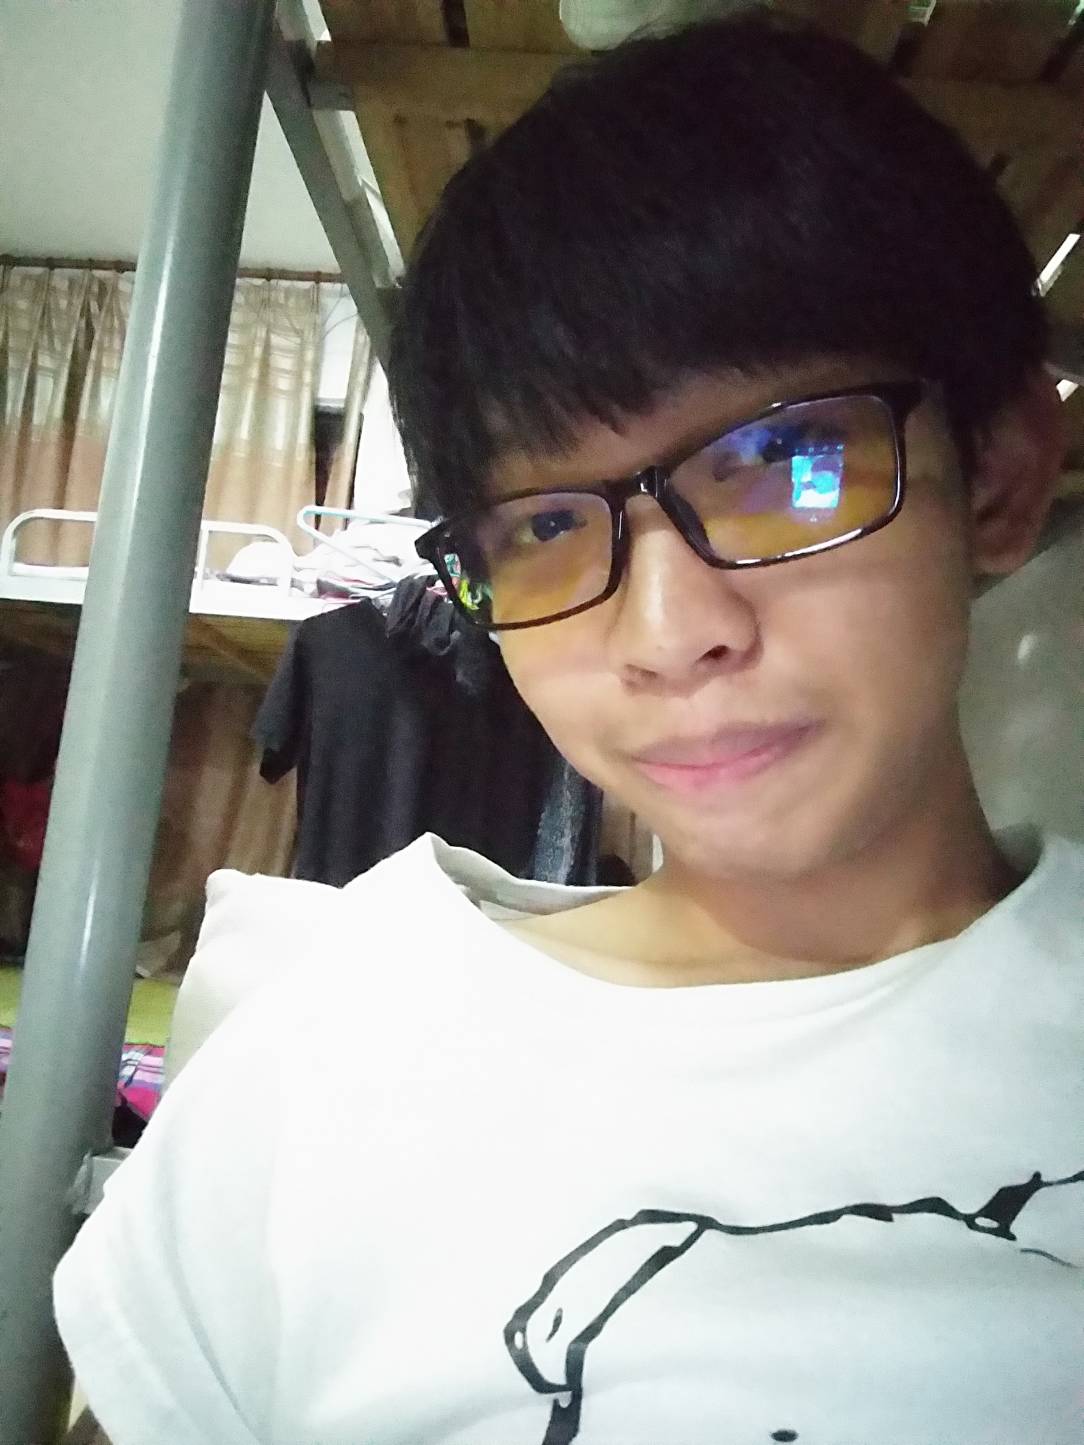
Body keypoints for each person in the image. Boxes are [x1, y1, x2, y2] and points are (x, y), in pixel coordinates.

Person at [54, 12, 1082, 1444]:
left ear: (1002, 478)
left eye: (785, 459)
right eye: (543, 527)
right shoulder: (328, 1066)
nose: (669, 632)